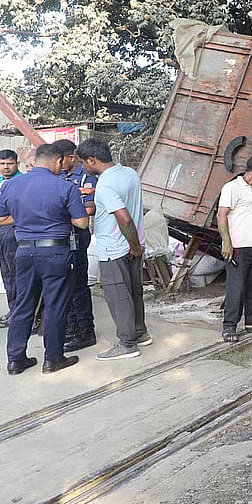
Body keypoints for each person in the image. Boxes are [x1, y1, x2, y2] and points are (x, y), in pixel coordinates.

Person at [0, 143, 88, 375]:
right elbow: (82, 222)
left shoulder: (9, 185)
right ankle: (53, 359)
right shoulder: (65, 187)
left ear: (35, 161)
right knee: (55, 305)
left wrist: (25, 216)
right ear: (58, 161)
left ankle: (15, 360)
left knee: (23, 305)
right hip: (55, 252)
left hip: (24, 252)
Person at [76, 138, 151, 360]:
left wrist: (134, 246)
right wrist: (136, 246)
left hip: (115, 248)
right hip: (133, 245)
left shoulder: (106, 184)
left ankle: (127, 344)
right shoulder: (129, 173)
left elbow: (124, 218)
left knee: (119, 296)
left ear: (92, 160)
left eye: (83, 162)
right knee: (134, 291)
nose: (82, 167)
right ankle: (140, 332)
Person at [217, 155, 252, 341]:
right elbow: (221, 215)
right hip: (239, 247)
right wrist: (226, 241)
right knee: (237, 287)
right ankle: (229, 327)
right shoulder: (232, 187)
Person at [52, 139, 97, 351]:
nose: (58, 164)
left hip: (77, 235)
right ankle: (70, 327)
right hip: (61, 236)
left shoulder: (87, 177)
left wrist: (62, 215)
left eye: (60, 160)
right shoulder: (57, 176)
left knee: (78, 284)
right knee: (64, 284)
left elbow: (90, 209)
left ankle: (86, 330)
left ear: (71, 157)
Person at [0, 150, 20, 328]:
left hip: (13, 230)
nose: (6, 167)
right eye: (2, 164)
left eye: (9, 163)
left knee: (16, 274)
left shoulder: (22, 181)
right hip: (0, 232)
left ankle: (20, 314)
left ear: (17, 164)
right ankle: (13, 309)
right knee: (7, 273)